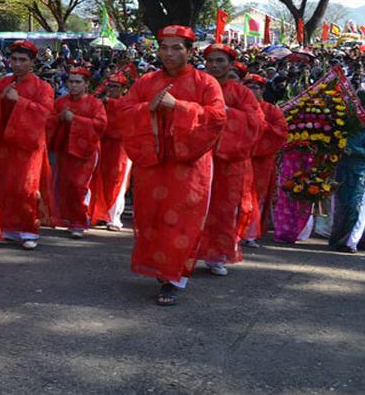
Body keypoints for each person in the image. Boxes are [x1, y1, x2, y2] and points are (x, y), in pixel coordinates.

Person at [117, 25, 227, 306]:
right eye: (164, 47)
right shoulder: (146, 81)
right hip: (153, 163)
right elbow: (125, 111)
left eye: (177, 47)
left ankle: (175, 276)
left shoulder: (206, 83)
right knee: (151, 216)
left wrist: (179, 106)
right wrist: (148, 109)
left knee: (182, 219)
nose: (169, 53)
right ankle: (163, 269)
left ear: (190, 52)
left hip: (188, 165)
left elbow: (216, 117)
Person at [197, 44, 264, 276]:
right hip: (197, 156)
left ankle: (217, 255)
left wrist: (227, 113)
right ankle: (187, 252)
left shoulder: (242, 93)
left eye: (220, 61)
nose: (214, 65)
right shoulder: (197, 87)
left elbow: (257, 122)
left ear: (230, 64)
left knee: (223, 209)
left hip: (229, 161)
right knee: (194, 206)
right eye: (211, 61)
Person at [0, 40, 55, 250]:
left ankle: (29, 230)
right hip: (6, 144)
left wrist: (19, 102)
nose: (17, 64)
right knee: (4, 185)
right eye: (14, 59)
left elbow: (46, 114)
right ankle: (5, 228)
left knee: (27, 188)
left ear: (32, 62)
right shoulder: (2, 83)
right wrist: (1, 98)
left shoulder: (43, 87)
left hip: (29, 145)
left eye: (22, 60)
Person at [47, 67, 107, 238]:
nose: (73, 86)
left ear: (86, 84)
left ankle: (80, 221)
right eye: (70, 82)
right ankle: (67, 218)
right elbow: (49, 120)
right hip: (65, 150)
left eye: (77, 82)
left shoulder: (95, 104)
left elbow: (101, 125)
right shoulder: (60, 102)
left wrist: (75, 120)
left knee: (79, 186)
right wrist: (59, 118)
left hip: (86, 152)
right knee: (65, 185)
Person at [241, 74, 288, 247]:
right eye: (248, 86)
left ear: (262, 90)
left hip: (263, 160)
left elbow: (281, 132)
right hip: (241, 157)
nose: (252, 90)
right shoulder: (240, 108)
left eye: (255, 87)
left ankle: (250, 233)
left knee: (257, 197)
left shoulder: (272, 110)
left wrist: (263, 127)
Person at [329, 105, 365, 252]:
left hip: (361, 174)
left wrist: (349, 149)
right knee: (341, 206)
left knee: (356, 207)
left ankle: (351, 242)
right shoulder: (349, 132)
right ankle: (336, 240)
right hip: (343, 171)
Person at [90, 73, 132, 232]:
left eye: (116, 86)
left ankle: (114, 218)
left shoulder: (125, 103)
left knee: (118, 181)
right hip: (104, 145)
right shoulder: (102, 103)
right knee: (100, 178)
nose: (111, 89)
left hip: (121, 148)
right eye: (110, 85)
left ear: (123, 89)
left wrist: (110, 103)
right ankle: (100, 213)